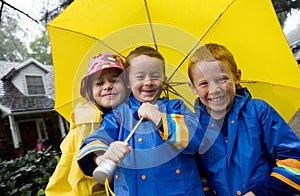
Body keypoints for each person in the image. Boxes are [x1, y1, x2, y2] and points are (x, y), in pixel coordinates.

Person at [77, 46, 205, 195]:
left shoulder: (176, 107)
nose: (148, 82)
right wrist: (103, 157)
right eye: (140, 77)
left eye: (155, 75)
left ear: (164, 79)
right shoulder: (119, 114)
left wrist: (160, 119)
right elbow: (97, 139)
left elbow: (197, 140)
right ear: (127, 81)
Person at [188, 43, 300, 195]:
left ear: (237, 76)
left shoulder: (259, 111)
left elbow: (294, 161)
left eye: (221, 79)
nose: (214, 90)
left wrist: (259, 193)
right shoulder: (195, 128)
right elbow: (200, 177)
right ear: (193, 87)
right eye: (203, 83)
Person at [45, 52, 128, 196]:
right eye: (99, 83)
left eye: (114, 80)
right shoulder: (88, 123)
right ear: (90, 91)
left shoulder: (124, 120)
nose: (108, 86)